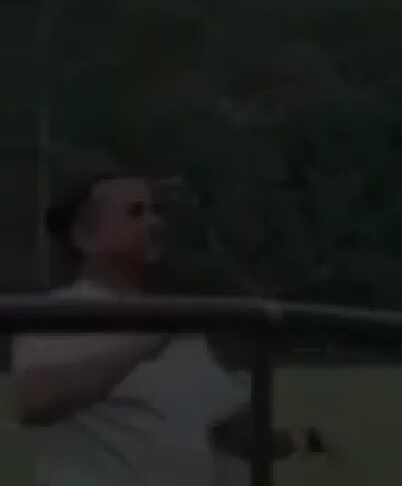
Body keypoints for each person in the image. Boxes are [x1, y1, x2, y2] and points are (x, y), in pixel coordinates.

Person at [9, 172, 334, 486]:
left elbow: (228, 433)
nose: (155, 223)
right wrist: (146, 342)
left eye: (155, 211)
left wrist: (304, 439)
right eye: (135, 212)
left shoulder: (179, 326)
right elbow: (34, 401)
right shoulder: (62, 313)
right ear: (84, 236)